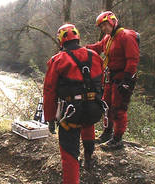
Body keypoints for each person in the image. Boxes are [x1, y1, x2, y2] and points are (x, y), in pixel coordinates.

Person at [43, 23, 103, 184]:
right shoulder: (94, 56)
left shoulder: (58, 60)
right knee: (87, 121)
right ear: (77, 36)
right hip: (94, 108)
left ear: (61, 40)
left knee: (69, 151)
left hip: (71, 112)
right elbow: (100, 83)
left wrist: (49, 118)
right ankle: (89, 157)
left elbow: (49, 91)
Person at [86, 11, 140, 150]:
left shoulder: (126, 36)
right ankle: (107, 133)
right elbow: (98, 47)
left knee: (119, 109)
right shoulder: (109, 38)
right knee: (107, 106)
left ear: (112, 21)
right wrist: (81, 49)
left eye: (105, 25)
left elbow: (132, 60)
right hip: (112, 77)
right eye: (101, 26)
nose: (104, 28)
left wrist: (127, 81)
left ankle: (117, 139)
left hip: (124, 78)